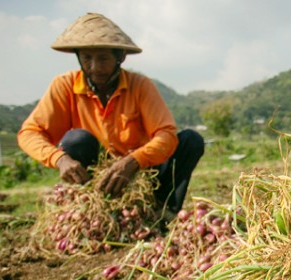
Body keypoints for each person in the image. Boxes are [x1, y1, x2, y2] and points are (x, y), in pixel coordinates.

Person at [18, 12, 204, 218]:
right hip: (97, 179)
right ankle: (93, 211)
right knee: (76, 140)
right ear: (78, 57)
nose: (95, 67)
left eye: (104, 58)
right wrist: (59, 159)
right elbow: (29, 133)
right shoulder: (65, 86)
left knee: (190, 140)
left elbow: (166, 135)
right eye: (87, 58)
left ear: (120, 57)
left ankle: (162, 211)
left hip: (142, 175)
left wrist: (133, 161)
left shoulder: (140, 86)